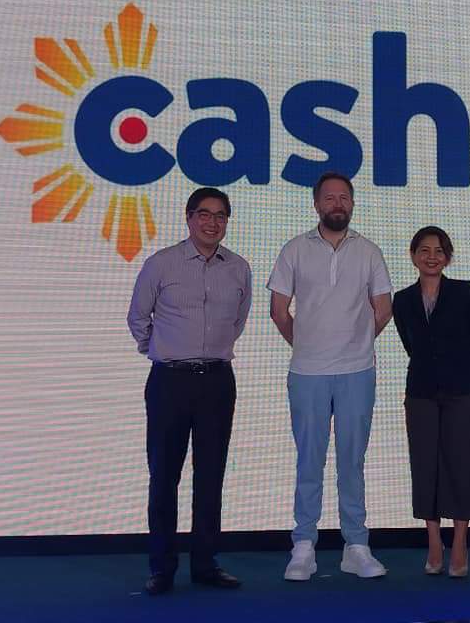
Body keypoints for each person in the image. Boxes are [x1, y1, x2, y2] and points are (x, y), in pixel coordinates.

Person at [268, 171, 393, 581]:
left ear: (352, 204)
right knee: (309, 459)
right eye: (329, 198)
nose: (337, 204)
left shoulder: (369, 251)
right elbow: (278, 311)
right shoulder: (294, 249)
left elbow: (383, 310)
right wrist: (308, 343)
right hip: (308, 373)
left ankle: (356, 546)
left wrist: (355, 343)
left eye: (344, 197)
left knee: (352, 461)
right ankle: (303, 546)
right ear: (316, 204)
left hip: (357, 371)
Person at [127, 187, 252, 595]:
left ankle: (205, 564)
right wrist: (165, 351)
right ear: (189, 217)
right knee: (164, 475)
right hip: (170, 381)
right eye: (204, 214)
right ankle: (162, 568)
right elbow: (138, 318)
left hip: (217, 381)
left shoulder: (239, 268)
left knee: (211, 475)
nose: (212, 222)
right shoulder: (161, 263)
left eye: (220, 216)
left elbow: (237, 321)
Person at [392, 226, 470, 578]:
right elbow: (411, 345)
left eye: (439, 251)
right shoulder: (402, 300)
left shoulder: (464, 292)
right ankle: (434, 542)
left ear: (447, 257)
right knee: (425, 466)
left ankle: (460, 542)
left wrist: (457, 374)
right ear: (413, 255)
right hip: (421, 392)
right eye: (424, 250)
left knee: (463, 465)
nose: (431, 257)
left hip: (464, 391)